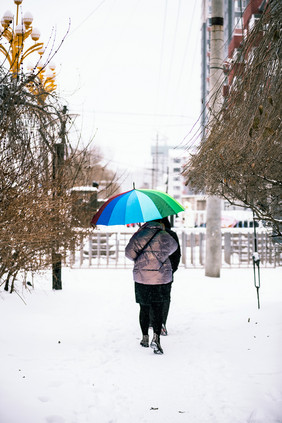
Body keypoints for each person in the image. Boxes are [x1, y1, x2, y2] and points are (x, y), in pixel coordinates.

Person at [125, 218, 178, 354]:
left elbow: (129, 254)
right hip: (161, 278)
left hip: (142, 277)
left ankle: (144, 337)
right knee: (158, 307)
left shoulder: (139, 235)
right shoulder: (165, 235)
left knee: (144, 307)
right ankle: (156, 338)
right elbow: (174, 248)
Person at [158, 217, 181, 335]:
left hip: (147, 272)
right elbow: (177, 254)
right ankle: (162, 323)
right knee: (165, 297)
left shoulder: (145, 234)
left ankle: (153, 321)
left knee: (151, 296)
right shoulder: (171, 234)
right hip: (167, 272)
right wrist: (172, 269)